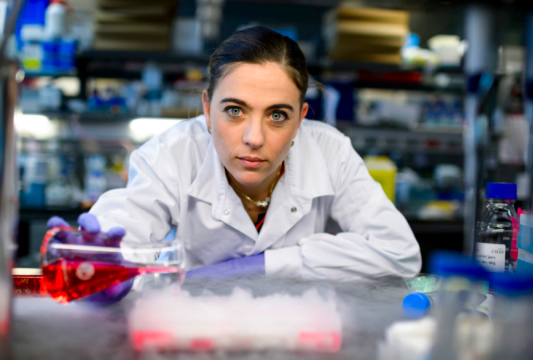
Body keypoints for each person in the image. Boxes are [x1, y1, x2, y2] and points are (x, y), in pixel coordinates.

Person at [49, 26, 421, 284]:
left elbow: (400, 254)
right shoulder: (171, 154)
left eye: (277, 115)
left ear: (300, 120)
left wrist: (264, 266)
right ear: (207, 108)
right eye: (234, 110)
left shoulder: (330, 150)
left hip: (300, 330)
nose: (254, 138)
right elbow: (125, 227)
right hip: (193, 327)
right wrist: (102, 261)